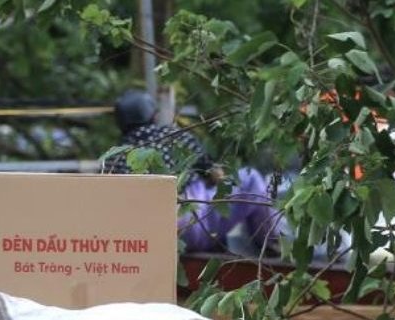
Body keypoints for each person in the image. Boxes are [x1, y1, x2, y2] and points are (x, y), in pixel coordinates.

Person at [103, 89, 284, 254]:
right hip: (189, 228)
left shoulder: (114, 156)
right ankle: (271, 246)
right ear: (155, 116)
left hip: (144, 241)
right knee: (250, 177)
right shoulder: (174, 136)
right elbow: (217, 176)